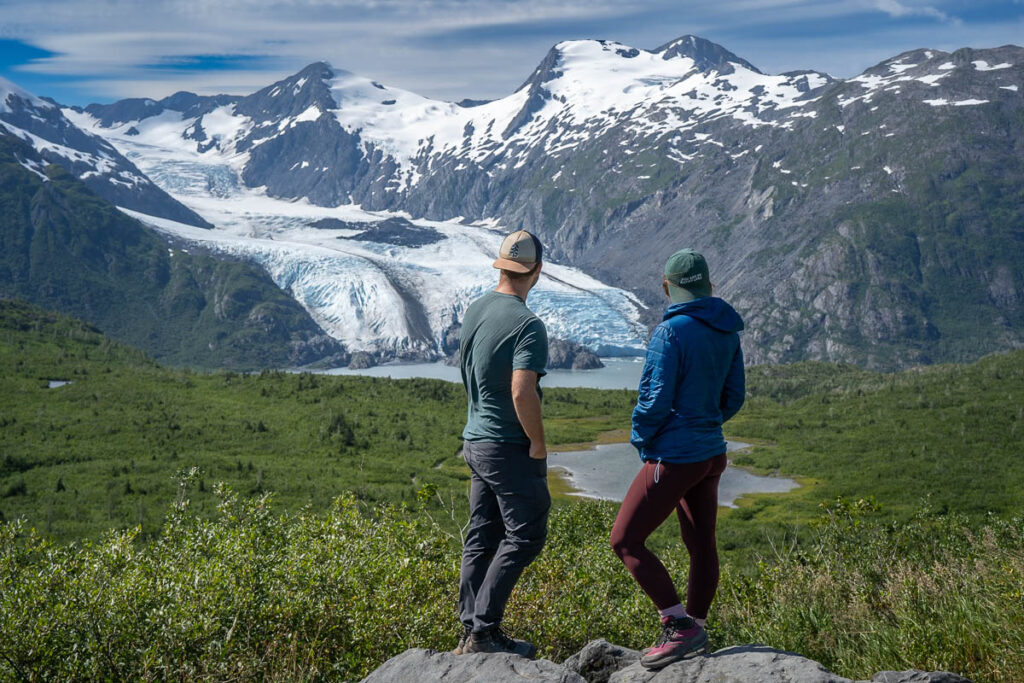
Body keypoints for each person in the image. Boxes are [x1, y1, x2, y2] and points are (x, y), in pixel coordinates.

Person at [609, 248, 745, 670]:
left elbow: (653, 400)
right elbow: (733, 396)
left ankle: (678, 625)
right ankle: (697, 628)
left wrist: (644, 442)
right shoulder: (726, 329)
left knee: (625, 540)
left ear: (668, 287)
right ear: (708, 285)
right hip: (711, 454)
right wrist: (705, 424)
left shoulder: (670, 333)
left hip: (677, 455)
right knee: (701, 544)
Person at [455, 230, 550, 659]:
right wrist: (538, 444)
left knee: (482, 535)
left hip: (474, 440)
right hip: (508, 445)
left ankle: (469, 628)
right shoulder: (528, 324)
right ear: (537, 270)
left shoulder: (476, 309)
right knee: (526, 534)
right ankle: (484, 632)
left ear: (501, 264)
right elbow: (521, 392)